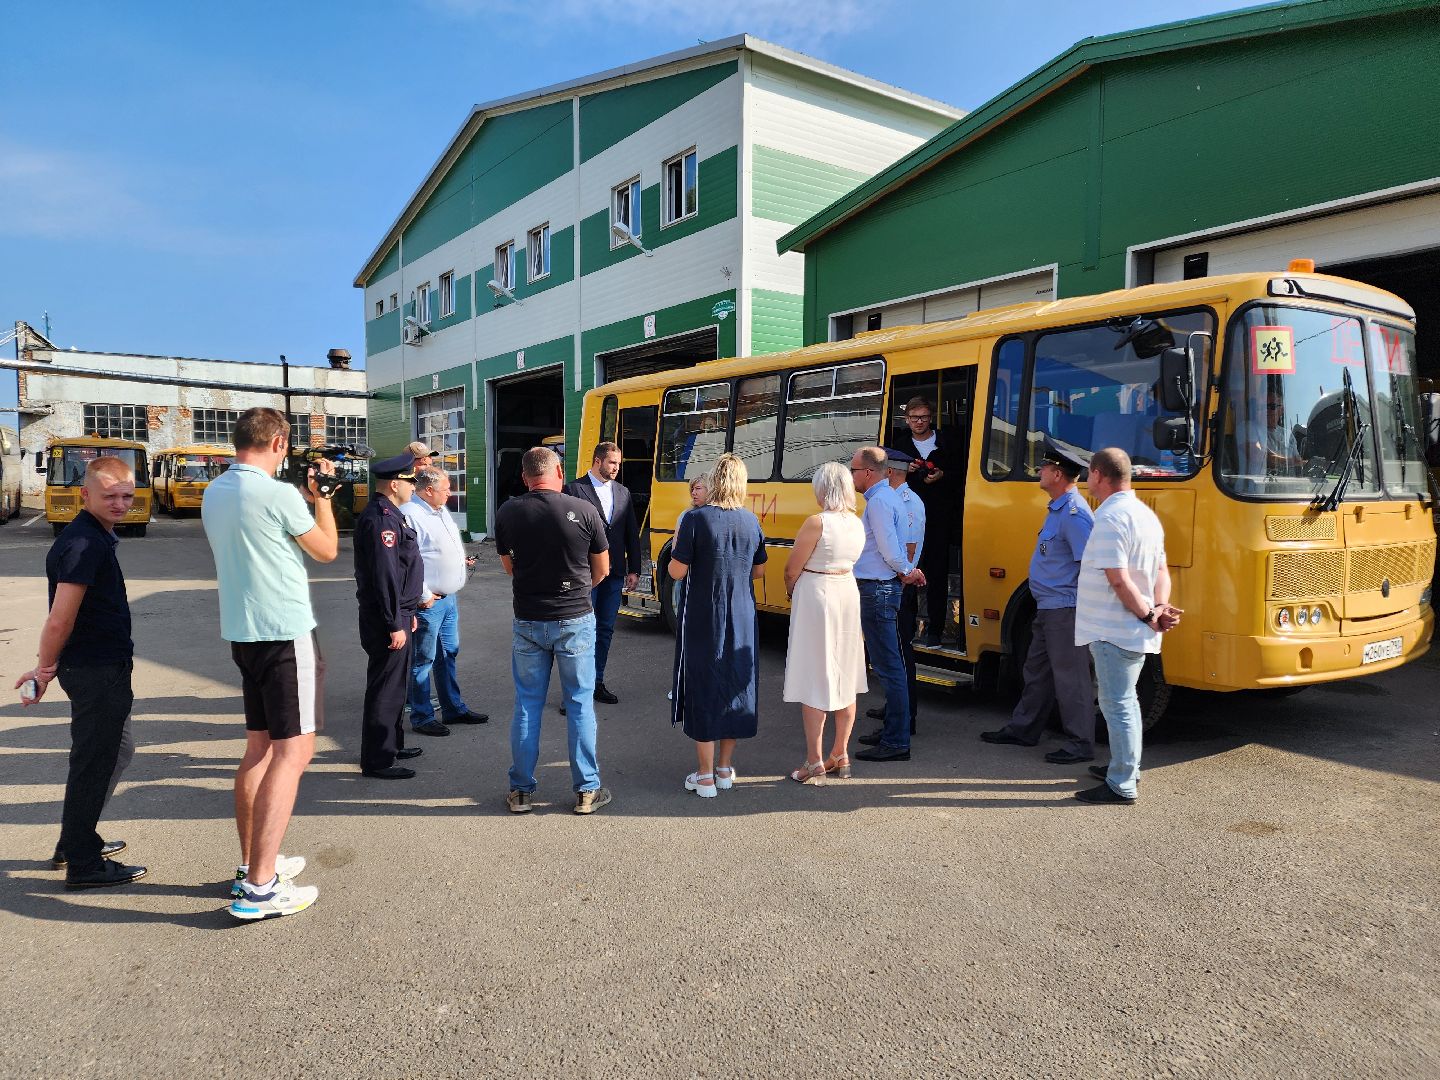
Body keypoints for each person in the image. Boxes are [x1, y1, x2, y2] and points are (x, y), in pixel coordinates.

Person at [202, 407, 336, 919]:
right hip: (285, 633)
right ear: (279, 442)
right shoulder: (278, 494)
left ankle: (253, 863)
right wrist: (322, 498)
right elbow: (325, 551)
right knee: (293, 755)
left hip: (243, 631)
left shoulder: (217, 492)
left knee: (258, 749)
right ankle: (260, 887)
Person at [15, 457, 148, 889]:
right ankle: (83, 862)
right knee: (95, 762)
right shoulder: (84, 544)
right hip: (96, 670)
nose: (120, 503)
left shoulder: (95, 537)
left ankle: (74, 839)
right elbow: (59, 619)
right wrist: (44, 668)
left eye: (127, 495)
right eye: (109, 495)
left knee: (118, 751)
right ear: (85, 495)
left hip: (103, 666)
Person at [493, 446, 613, 815]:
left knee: (527, 704)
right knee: (579, 703)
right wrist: (576, 592)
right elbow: (603, 570)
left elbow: (508, 566)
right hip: (574, 617)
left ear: (526, 477)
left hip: (528, 618)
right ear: (559, 472)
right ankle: (587, 791)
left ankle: (521, 791)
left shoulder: (508, 512)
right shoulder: (585, 510)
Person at [1073, 447, 1181, 804]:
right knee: (1127, 702)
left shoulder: (1110, 518)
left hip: (1113, 628)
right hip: (1132, 629)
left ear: (1099, 475)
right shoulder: (1145, 515)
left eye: (1088, 474)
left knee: (1117, 705)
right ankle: (1126, 767)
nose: (1087, 481)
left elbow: (1118, 580)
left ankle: (1121, 783)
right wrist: (1159, 607)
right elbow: (1162, 572)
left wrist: (1148, 615)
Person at [980, 437, 1097, 764]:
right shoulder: (1059, 509)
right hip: (1048, 607)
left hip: (1064, 609)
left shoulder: (1074, 514)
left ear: (1058, 475)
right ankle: (1024, 728)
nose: (1039, 470)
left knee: (1071, 678)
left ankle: (1080, 743)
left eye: (1045, 466)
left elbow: (1088, 565)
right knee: (1037, 671)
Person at [668, 453, 767, 797]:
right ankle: (724, 768)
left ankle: (705, 774)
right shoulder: (752, 521)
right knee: (735, 683)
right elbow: (758, 571)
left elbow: (677, 571)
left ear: (713, 481)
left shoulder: (696, 519)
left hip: (703, 613)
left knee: (704, 683)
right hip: (742, 612)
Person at [781, 461, 867, 785]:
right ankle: (841, 753)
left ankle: (814, 760)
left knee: (815, 677)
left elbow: (792, 569)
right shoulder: (856, 523)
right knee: (846, 674)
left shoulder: (816, 522)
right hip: (847, 590)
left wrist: (792, 592)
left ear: (824, 489)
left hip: (818, 595)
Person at [849, 446, 925, 763]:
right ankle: (894, 732)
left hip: (878, 589)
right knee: (891, 666)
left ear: (868, 472)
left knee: (890, 668)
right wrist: (907, 571)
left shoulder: (879, 501)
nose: (850, 475)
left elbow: (890, 550)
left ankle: (896, 741)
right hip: (884, 587)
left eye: (853, 470)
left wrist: (908, 571)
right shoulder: (890, 497)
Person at [400, 465, 487, 736]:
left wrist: (458, 561)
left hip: (448, 601)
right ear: (428, 490)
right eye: (446, 489)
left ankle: (453, 708)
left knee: (448, 655)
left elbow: (437, 548)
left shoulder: (438, 510)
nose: (450, 493)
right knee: (423, 660)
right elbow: (405, 561)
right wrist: (423, 594)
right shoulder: (410, 514)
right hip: (429, 603)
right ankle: (423, 716)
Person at [354, 453, 425, 779]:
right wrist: (394, 621)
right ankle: (378, 760)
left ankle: (392, 745)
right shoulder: (383, 519)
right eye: (410, 481)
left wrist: (406, 613)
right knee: (385, 688)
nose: (414, 486)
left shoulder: (393, 515)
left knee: (396, 686)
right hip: (386, 620)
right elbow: (385, 577)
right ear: (395, 483)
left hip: (398, 615)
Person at [563, 441, 641, 706]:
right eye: (612, 463)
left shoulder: (623, 492)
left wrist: (635, 569)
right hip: (583, 574)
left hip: (615, 572)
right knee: (579, 631)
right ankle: (573, 691)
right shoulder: (574, 489)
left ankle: (596, 682)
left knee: (605, 629)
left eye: (619, 463)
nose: (616, 468)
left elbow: (631, 532)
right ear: (597, 461)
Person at [892, 397, 962, 646]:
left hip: (939, 517)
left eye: (923, 417)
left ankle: (935, 631)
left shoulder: (947, 443)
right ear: (907, 419)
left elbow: (963, 476)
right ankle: (907, 629)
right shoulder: (898, 446)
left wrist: (943, 475)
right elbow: (886, 480)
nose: (918, 422)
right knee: (907, 571)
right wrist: (905, 471)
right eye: (913, 418)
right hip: (908, 520)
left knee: (938, 574)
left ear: (931, 417)